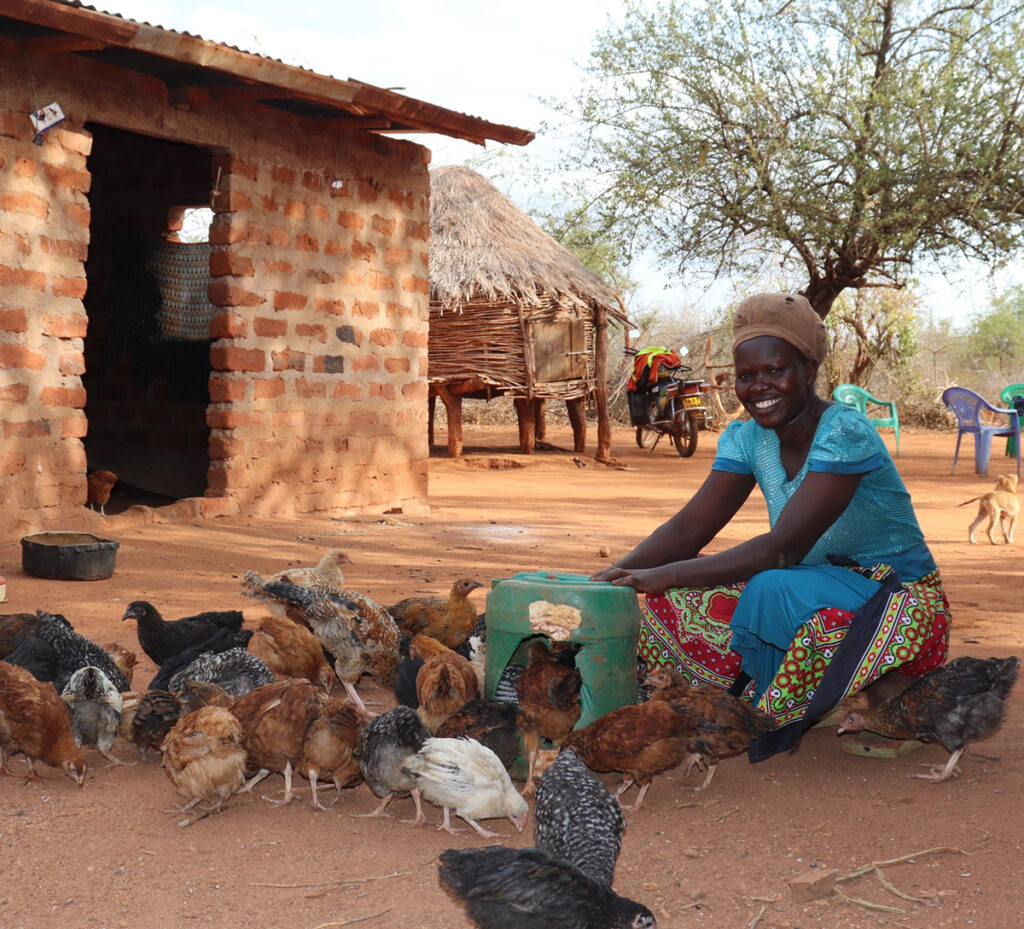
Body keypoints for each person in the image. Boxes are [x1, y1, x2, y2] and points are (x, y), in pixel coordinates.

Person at [592, 293, 949, 739]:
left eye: (776, 371)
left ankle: (866, 685)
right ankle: (809, 691)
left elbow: (786, 548)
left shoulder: (844, 432)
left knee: (767, 587)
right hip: (809, 584)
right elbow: (687, 530)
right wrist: (616, 577)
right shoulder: (746, 438)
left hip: (894, 593)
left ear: (809, 372)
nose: (759, 387)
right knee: (674, 599)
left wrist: (664, 573)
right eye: (746, 376)